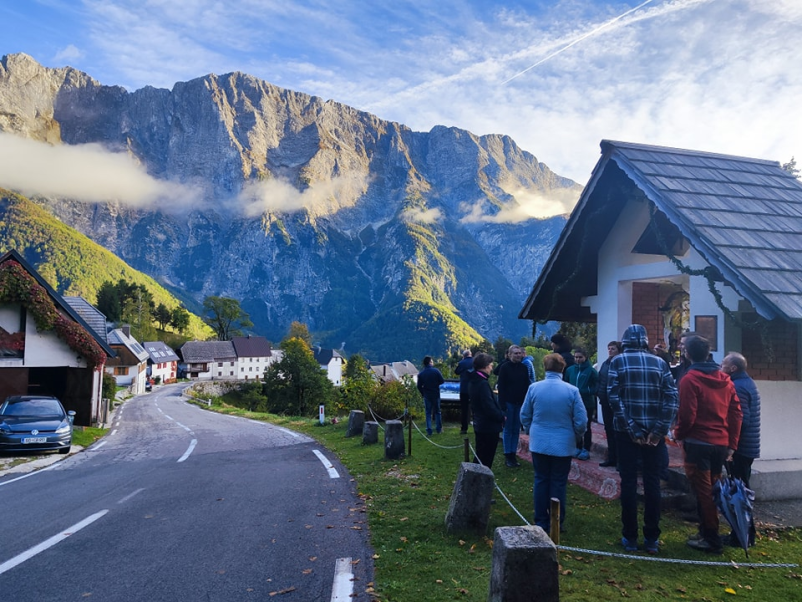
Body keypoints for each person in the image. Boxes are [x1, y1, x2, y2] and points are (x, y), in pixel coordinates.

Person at [608, 324, 678, 555]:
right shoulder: (660, 363)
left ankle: (629, 537)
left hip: (626, 433)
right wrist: (658, 431)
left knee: (628, 483)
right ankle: (652, 539)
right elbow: (671, 399)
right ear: (646, 342)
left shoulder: (617, 362)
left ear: (625, 341)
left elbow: (614, 398)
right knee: (652, 484)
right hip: (653, 435)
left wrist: (632, 429)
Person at [674, 336, 743, 554]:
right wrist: (732, 444)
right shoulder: (725, 379)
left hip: (698, 444)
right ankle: (706, 531)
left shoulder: (689, 379)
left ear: (687, 354)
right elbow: (735, 413)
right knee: (712, 490)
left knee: (703, 492)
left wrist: (678, 433)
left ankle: (711, 539)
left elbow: (687, 415)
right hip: (720, 444)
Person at [520, 353, 587, 534]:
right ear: (562, 368)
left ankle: (540, 520)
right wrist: (577, 435)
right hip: (563, 443)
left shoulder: (534, 388)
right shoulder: (572, 391)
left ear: (544, 368)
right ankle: (557, 521)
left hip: (539, 441)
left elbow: (525, 414)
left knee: (541, 480)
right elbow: (581, 420)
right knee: (558, 482)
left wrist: (530, 429)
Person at [721, 351, 760, 547]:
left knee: (739, 493)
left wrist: (731, 447)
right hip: (746, 447)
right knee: (741, 489)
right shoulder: (747, 382)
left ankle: (742, 536)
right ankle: (744, 533)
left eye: (724, 364)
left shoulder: (737, 386)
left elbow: (741, 420)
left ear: (733, 368)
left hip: (740, 448)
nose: (721, 366)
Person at [496, 345, 531, 468]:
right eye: (515, 353)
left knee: (516, 429)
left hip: (520, 403)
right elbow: (501, 386)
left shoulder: (523, 368)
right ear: (510, 354)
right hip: (509, 403)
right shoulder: (504, 368)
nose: (517, 355)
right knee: (508, 429)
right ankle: (507, 454)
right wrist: (502, 404)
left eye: (519, 353)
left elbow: (527, 385)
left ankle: (513, 453)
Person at [468, 353, 504, 469]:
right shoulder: (482, 384)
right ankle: (480, 482)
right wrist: (501, 416)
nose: (491, 367)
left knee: (480, 455)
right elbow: (488, 406)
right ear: (485, 366)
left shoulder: (474, 380)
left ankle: (475, 480)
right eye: (490, 365)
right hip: (488, 426)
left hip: (480, 423)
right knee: (485, 457)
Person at [565, 347, 598, 461]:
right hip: (573, 403)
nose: (578, 359)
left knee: (586, 426)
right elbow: (566, 384)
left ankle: (586, 449)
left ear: (585, 357)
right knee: (574, 425)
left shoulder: (591, 371)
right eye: (576, 357)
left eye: (580, 357)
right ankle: (577, 446)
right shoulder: (570, 370)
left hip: (587, 402)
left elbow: (596, 386)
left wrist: (586, 391)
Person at [596, 341, 622, 467]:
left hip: (617, 403)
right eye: (609, 348)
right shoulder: (605, 364)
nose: (610, 351)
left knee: (618, 432)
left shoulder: (621, 363)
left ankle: (620, 460)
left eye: (613, 349)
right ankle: (612, 457)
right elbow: (601, 380)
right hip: (605, 401)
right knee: (609, 430)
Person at [416, 356, 445, 436]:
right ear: (430, 362)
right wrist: (436, 384)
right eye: (432, 361)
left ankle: (429, 430)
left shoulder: (421, 374)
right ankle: (439, 429)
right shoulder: (436, 371)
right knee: (437, 412)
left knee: (428, 413)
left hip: (427, 395)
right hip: (435, 394)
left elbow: (419, 386)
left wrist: (423, 393)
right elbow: (442, 381)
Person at [455, 349, 474, 435]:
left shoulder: (461, 363)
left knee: (464, 409)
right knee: (476, 409)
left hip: (464, 389)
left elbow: (456, 372)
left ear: (464, 356)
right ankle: (476, 426)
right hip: (474, 389)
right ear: (471, 354)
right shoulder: (475, 362)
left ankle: (464, 428)